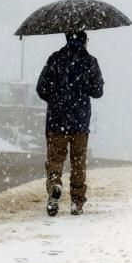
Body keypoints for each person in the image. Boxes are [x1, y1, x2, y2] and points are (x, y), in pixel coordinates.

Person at [36, 30, 104, 216]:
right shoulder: (90, 61)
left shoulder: (55, 59)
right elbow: (98, 91)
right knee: (78, 162)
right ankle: (76, 202)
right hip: (80, 121)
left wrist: (56, 98)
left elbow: (41, 88)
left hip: (56, 121)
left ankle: (55, 185)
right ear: (84, 41)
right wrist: (83, 88)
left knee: (55, 159)